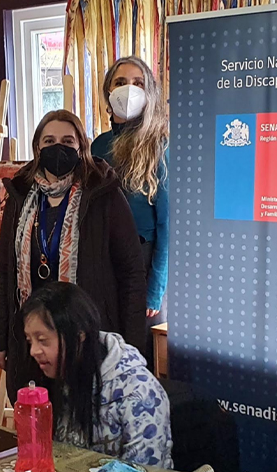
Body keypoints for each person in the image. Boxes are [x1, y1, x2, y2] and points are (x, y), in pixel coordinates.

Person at [0, 110, 147, 401]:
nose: (58, 148)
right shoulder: (20, 196)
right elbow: (4, 270)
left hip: (88, 338)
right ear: (37, 147)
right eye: (49, 141)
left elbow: (132, 273)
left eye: (67, 141)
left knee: (84, 416)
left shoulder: (104, 194)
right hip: (32, 341)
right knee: (37, 416)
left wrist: (133, 343)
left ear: (81, 146)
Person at [22, 282, 172, 467]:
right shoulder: (64, 375)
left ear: (79, 335)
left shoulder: (139, 394)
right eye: (30, 341)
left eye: (43, 340)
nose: (34, 351)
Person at [91, 57, 170, 333]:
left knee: (140, 346)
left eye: (138, 83)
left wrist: (155, 288)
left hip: (144, 262)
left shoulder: (160, 146)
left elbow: (168, 225)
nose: (129, 89)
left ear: (149, 94)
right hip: (105, 260)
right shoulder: (98, 146)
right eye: (121, 82)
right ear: (109, 92)